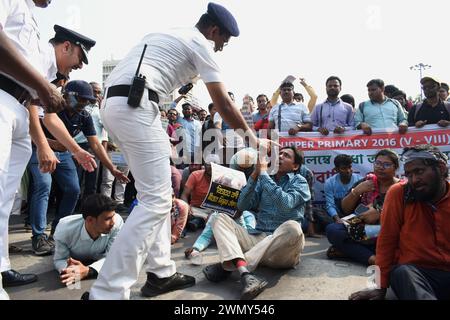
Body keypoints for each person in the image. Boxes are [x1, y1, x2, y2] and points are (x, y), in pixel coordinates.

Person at [88, 2, 268, 300]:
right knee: (156, 202)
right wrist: (253, 139)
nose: (222, 48)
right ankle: (107, 292)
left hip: (122, 105)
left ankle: (161, 273)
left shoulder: (169, 34)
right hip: (137, 107)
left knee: (155, 197)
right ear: (213, 30)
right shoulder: (201, 43)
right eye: (224, 40)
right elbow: (223, 103)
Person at [0, 0, 68, 298]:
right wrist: (43, 86)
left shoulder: (32, 17)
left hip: (20, 107)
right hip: (2, 96)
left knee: (4, 199)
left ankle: (1, 267)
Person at [27, 80, 129, 256]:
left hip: (65, 154)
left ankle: (57, 230)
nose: (85, 104)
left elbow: (96, 145)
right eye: (81, 99)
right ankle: (38, 236)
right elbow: (30, 129)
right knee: (44, 187)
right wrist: (50, 144)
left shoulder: (84, 116)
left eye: (88, 101)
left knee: (73, 190)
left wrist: (112, 168)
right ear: (68, 95)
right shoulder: (50, 106)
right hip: (40, 149)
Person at [202, 147, 310, 300]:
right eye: (279, 153)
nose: (280, 156)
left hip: (283, 251)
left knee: (293, 227)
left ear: (295, 166)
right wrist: (254, 175)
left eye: (286, 155)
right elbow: (242, 205)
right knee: (219, 217)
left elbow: (285, 204)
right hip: (259, 239)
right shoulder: (263, 179)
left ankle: (232, 264)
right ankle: (245, 273)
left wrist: (264, 174)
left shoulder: (300, 181)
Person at [350, 145, 450, 300]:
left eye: (419, 171)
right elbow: (386, 240)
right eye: (409, 174)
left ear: (441, 169)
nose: (414, 180)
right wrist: (378, 285)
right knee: (402, 272)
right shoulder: (398, 192)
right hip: (416, 274)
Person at [326, 149, 400, 265]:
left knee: (396, 241)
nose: (381, 167)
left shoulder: (400, 188)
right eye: (378, 163)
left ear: (395, 168)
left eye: (386, 164)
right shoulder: (368, 181)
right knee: (333, 230)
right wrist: (357, 191)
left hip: (384, 231)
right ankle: (372, 259)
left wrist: (381, 213)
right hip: (363, 227)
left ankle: (351, 252)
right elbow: (345, 209)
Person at [53, 194, 123, 286]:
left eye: (113, 216)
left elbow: (114, 258)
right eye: (107, 218)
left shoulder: (117, 223)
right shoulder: (64, 229)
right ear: (90, 220)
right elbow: (60, 259)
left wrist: (88, 271)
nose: (112, 222)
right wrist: (69, 271)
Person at [324, 155, 363, 222]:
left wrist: (354, 218)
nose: (348, 171)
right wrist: (337, 219)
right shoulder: (329, 183)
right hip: (338, 215)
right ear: (336, 170)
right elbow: (330, 205)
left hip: (356, 214)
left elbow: (364, 203)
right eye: (344, 168)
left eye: (350, 167)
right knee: (316, 212)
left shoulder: (360, 180)